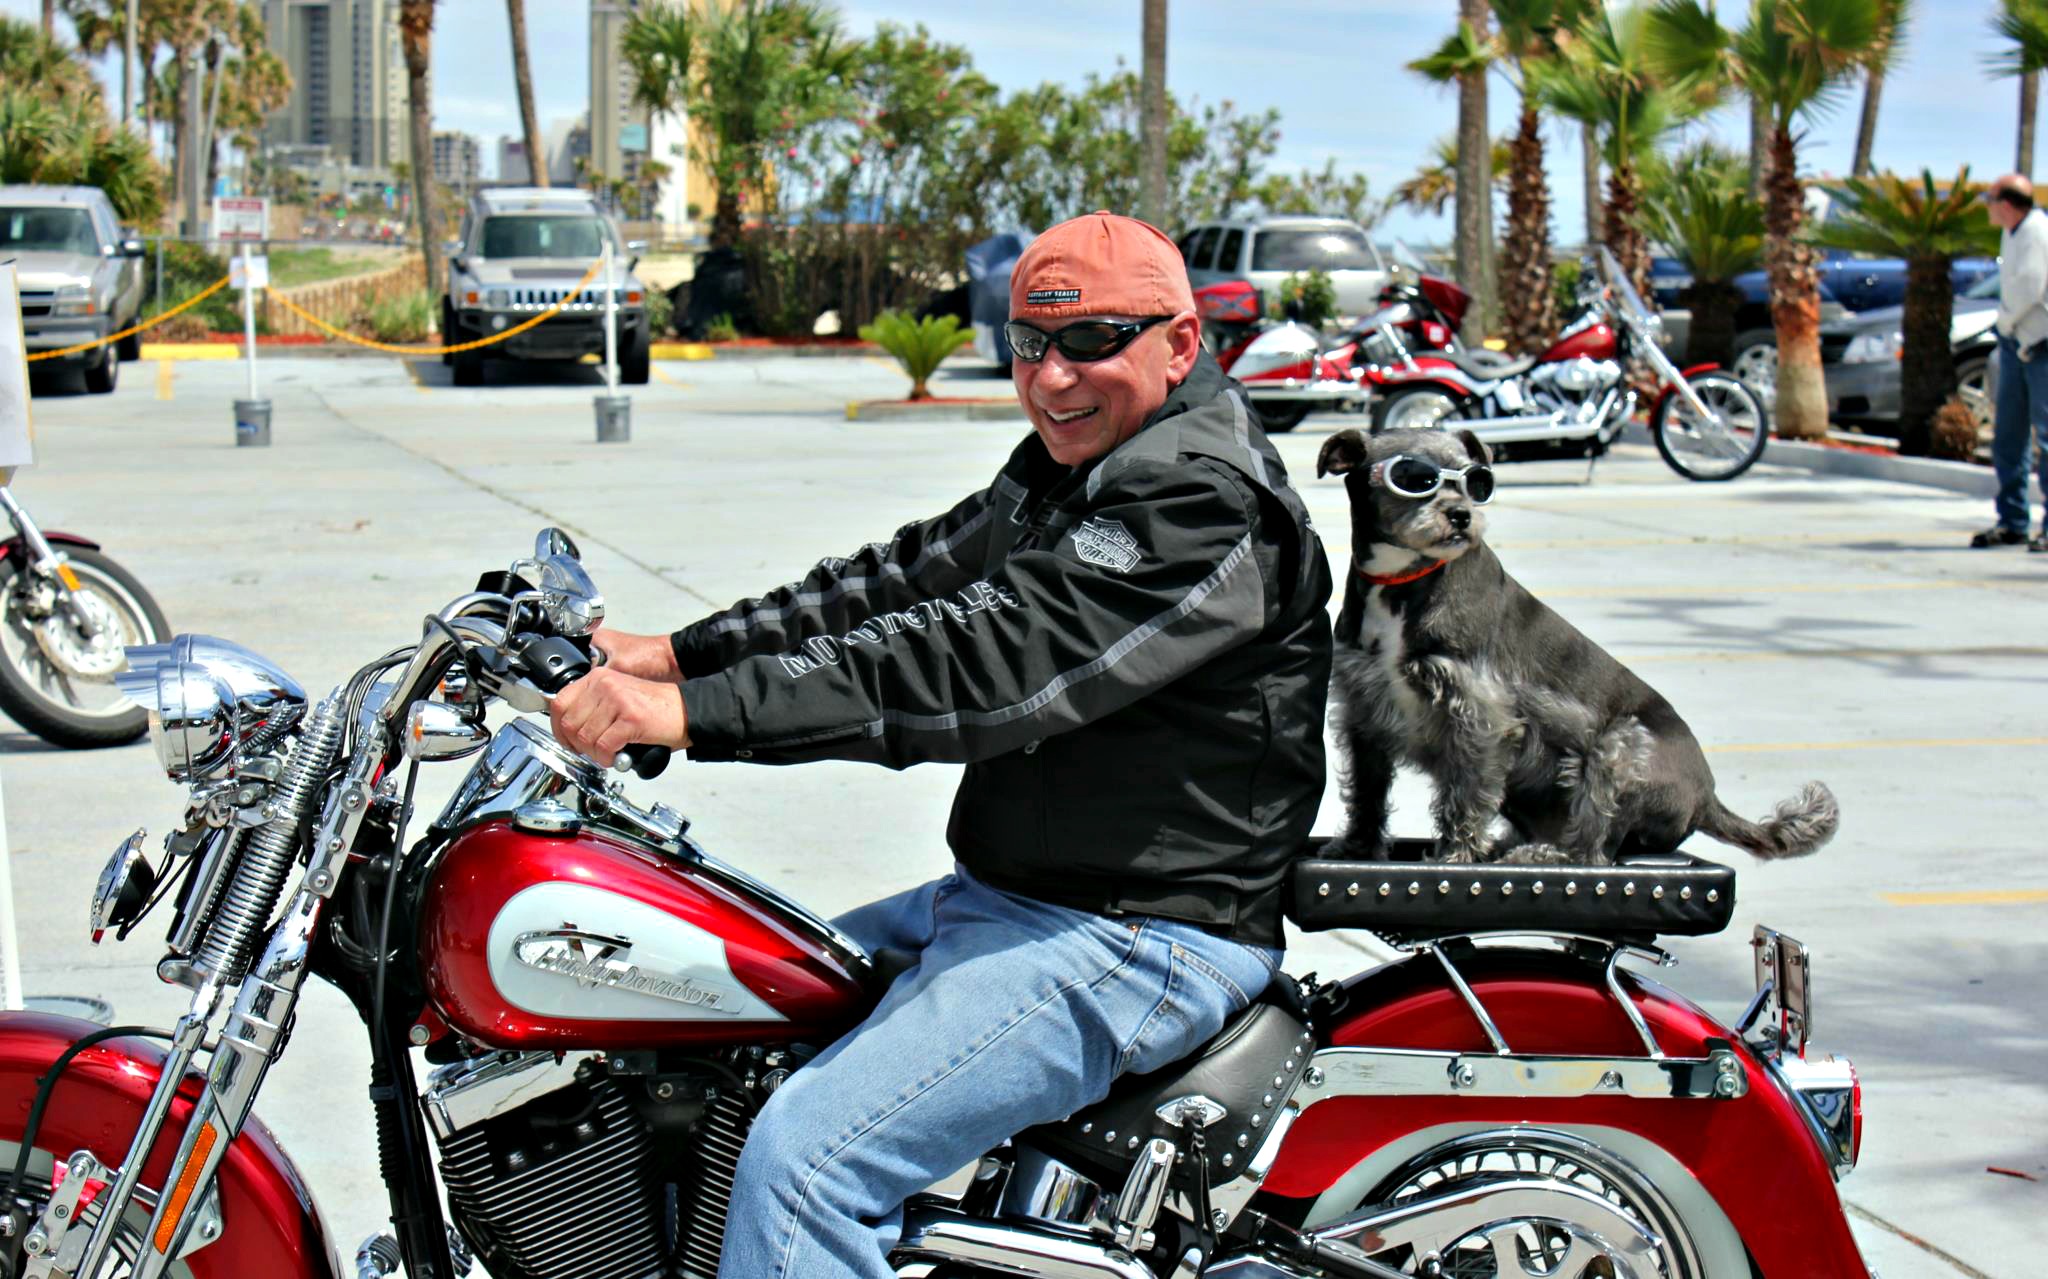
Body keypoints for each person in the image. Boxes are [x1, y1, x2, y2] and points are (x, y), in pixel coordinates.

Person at [547, 211, 1333, 1279]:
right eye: (1026, 345)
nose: (1052, 377)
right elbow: (905, 581)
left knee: (806, 1164)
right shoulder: (1080, 460)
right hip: (1018, 897)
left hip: (1138, 933)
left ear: (1180, 343)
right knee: (714, 1015)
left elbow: (986, 664)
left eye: (1092, 341)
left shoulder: (1197, 498)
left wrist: (698, 714)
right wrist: (674, 655)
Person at [1978, 173, 2048, 551]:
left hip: (2040, 346)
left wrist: (2004, 322)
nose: (1987, 206)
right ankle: (2012, 520)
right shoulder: (2012, 232)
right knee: (2008, 436)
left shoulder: (2037, 231)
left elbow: (2031, 289)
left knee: (2047, 439)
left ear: (2006, 203)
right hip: (2015, 344)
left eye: (1989, 199)